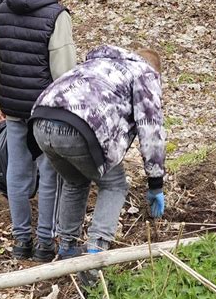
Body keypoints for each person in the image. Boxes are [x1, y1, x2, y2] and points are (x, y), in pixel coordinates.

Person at [30, 45, 166, 268]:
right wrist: (156, 184)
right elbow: (151, 130)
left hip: (40, 121)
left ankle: (67, 249)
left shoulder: (99, 63)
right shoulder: (145, 73)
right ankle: (96, 253)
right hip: (80, 129)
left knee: (75, 181)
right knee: (115, 185)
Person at [0, 0, 79, 262]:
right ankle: (44, 242)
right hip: (45, 110)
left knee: (17, 170)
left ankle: (20, 240)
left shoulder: (4, 8)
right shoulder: (57, 15)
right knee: (50, 171)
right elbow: (64, 71)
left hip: (13, 104)